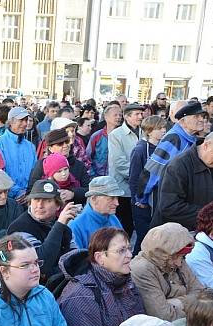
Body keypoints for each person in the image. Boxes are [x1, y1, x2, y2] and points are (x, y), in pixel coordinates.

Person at [155, 130, 213, 230]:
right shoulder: (178, 166)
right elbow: (169, 206)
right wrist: (212, 217)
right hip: (183, 233)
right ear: (206, 145)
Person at [130, 222, 204, 321]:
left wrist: (175, 303)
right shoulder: (142, 269)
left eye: (182, 257)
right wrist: (193, 301)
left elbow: (202, 295)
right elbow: (163, 316)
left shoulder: (177, 259)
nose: (179, 263)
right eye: (175, 257)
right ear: (161, 254)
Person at [7, 179, 79, 279]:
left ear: (58, 205)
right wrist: (59, 226)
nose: (40, 205)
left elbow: (75, 258)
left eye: (47, 200)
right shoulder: (19, 228)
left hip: (61, 282)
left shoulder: (61, 224)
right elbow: (41, 264)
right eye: (36, 200)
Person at [129, 115, 168, 253]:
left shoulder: (164, 148)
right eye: (159, 128)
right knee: (143, 238)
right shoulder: (140, 150)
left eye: (164, 127)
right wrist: (137, 199)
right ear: (149, 131)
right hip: (142, 201)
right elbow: (134, 178)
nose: (164, 130)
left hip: (158, 199)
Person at [108, 103, 144, 235]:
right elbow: (119, 162)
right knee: (125, 223)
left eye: (141, 114)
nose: (140, 117)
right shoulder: (116, 135)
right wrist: (140, 175)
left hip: (141, 186)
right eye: (137, 114)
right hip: (123, 187)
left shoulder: (144, 132)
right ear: (127, 117)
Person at [28, 128, 90, 205]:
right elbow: (31, 190)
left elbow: (88, 190)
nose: (65, 145)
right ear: (50, 148)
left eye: (67, 141)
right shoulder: (41, 164)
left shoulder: (79, 165)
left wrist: (73, 194)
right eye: (60, 144)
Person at [0, 107, 38, 202]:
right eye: (21, 120)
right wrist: (17, 192)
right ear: (11, 121)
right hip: (6, 199)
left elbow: (35, 173)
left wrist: (29, 193)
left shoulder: (30, 146)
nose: (25, 123)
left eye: (26, 120)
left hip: (28, 199)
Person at [68, 176, 124, 249]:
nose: (117, 203)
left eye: (117, 198)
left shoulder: (112, 218)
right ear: (94, 198)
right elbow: (75, 258)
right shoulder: (75, 225)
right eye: (111, 198)